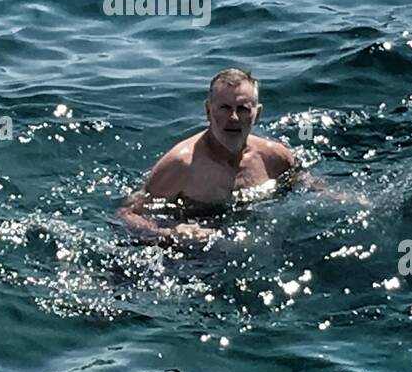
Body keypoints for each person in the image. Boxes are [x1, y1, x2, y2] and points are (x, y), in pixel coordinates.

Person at [117, 68, 298, 244]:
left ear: (257, 114)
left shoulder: (275, 157)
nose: (233, 117)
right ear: (208, 111)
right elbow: (127, 214)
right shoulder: (182, 164)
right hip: (183, 251)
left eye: (242, 109)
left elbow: (305, 184)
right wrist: (170, 233)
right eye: (225, 108)